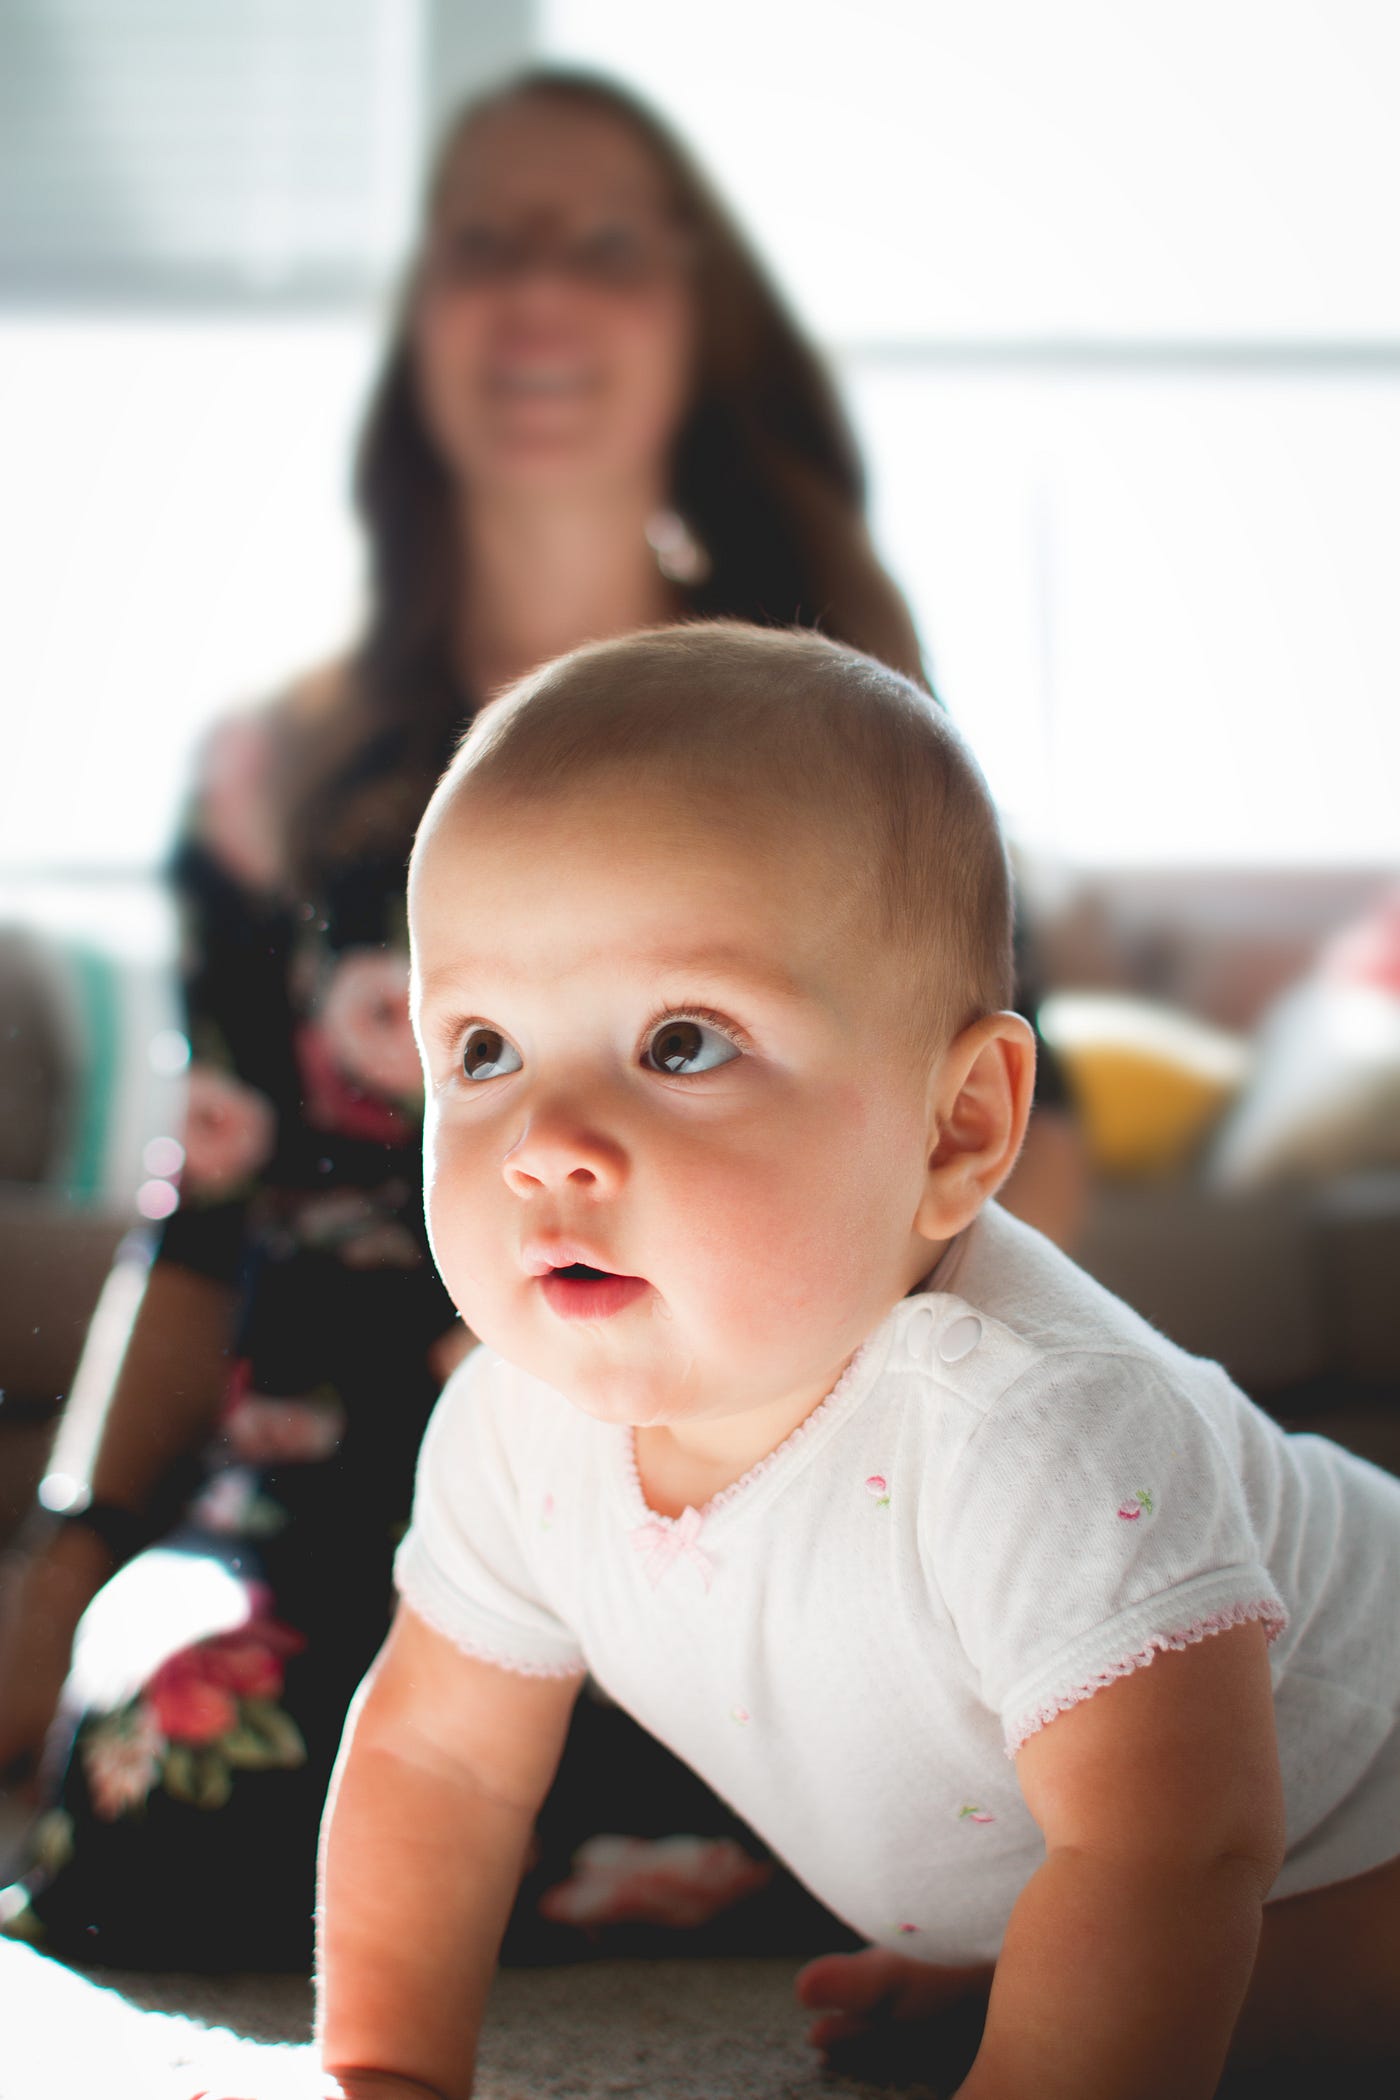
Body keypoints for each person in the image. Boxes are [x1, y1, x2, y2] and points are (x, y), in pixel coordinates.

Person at [0, 69, 1080, 1970]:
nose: (538, 293)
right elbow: (206, 1216)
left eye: (602, 244)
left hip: (757, 1468)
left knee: (989, 1801)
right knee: (170, 1799)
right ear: (418, 327)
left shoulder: (852, 731)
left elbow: (1005, 1139)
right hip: (340, 1497)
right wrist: (71, 1551)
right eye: (482, 244)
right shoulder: (278, 774)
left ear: (696, 317)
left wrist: (883, 1480)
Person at [216, 622, 1400, 2100]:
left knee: (1308, 2006)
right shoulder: (519, 1426)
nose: (548, 1149)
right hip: (1177, 1861)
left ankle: (1024, 1995)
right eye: (486, 1052)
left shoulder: (1032, 1428)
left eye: (684, 1043)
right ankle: (1017, 1980)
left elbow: (1175, 1848)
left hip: (1358, 1826)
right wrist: (383, 2069)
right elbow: (439, 1765)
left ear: (957, 1128)